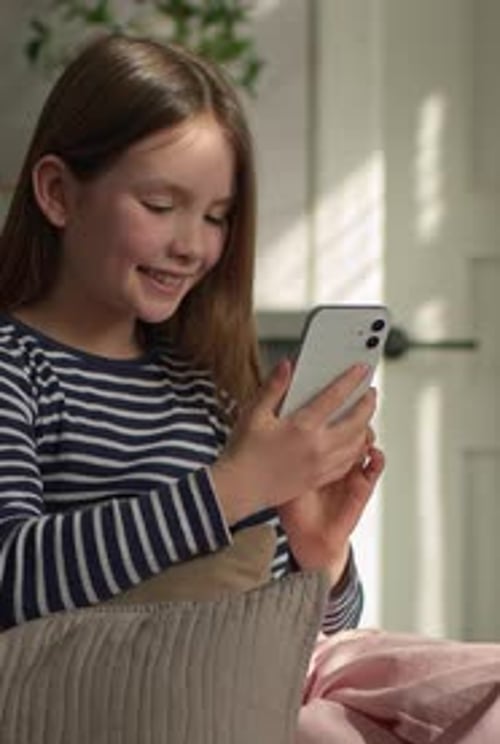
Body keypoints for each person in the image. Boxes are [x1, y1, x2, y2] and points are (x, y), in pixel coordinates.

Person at [0, 33, 383, 631]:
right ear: (57, 193)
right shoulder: (16, 368)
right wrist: (233, 486)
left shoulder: (206, 388)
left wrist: (324, 556)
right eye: (159, 205)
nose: (191, 246)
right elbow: (10, 575)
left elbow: (320, 633)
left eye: (215, 217)